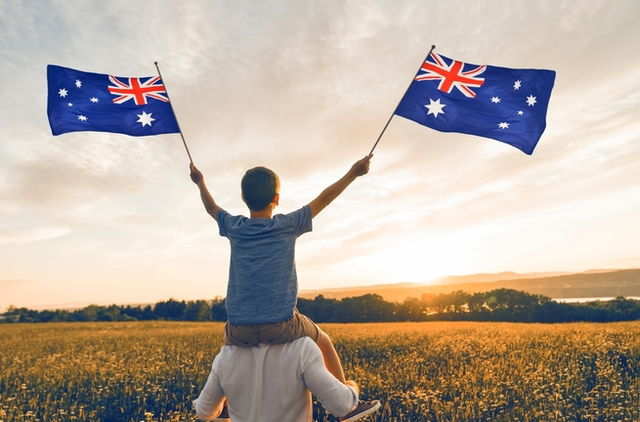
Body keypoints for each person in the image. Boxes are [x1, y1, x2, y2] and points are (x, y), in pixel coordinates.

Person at [190, 154, 379, 420]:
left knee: (230, 358)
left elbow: (212, 208)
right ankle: (349, 403)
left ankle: (226, 408)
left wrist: (200, 182)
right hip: (281, 323)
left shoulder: (235, 227)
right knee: (323, 339)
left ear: (243, 198)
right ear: (276, 199)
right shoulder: (287, 225)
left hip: (237, 328)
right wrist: (353, 173)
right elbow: (324, 198)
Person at [192, 336, 380, 421]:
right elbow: (342, 406)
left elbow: (204, 411)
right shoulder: (302, 348)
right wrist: (351, 387)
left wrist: (224, 405)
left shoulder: (226, 356)